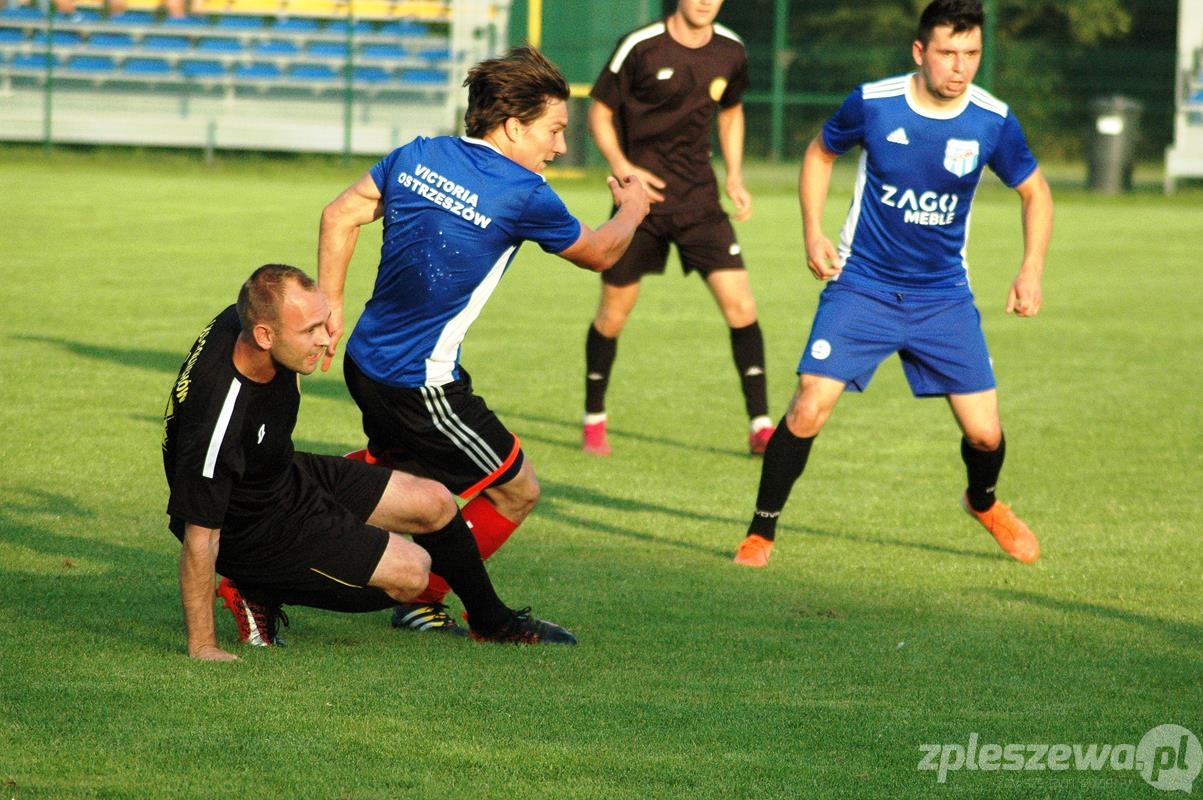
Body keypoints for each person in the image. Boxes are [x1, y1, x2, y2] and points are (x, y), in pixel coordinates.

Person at [317, 46, 649, 633]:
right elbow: (600, 252)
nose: (560, 146)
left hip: (365, 361)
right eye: (553, 130)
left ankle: (278, 507)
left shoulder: (418, 153)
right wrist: (633, 210)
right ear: (514, 126)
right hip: (421, 385)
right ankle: (442, 603)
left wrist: (331, 304)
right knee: (516, 490)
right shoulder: (523, 191)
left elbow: (338, 214)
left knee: (399, 489)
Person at [733, 0, 1054, 568]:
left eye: (972, 53)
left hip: (943, 295)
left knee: (985, 434)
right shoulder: (874, 103)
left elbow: (1036, 191)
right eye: (948, 53)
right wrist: (812, 231)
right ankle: (761, 532)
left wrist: (1031, 268)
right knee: (810, 404)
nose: (960, 66)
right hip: (863, 284)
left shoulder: (992, 120)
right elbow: (820, 153)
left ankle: (983, 502)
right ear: (919, 51)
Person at [163, 264, 578, 660]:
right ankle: (256, 586)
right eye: (310, 331)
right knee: (413, 575)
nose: (326, 339)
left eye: (324, 322)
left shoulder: (244, 319)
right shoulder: (217, 423)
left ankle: (491, 622)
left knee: (435, 501)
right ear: (264, 335)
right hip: (252, 530)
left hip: (281, 475)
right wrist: (203, 646)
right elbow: (200, 538)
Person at [580, 0, 775, 457]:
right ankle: (594, 420)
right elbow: (599, 112)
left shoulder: (731, 49)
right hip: (639, 206)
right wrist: (624, 168)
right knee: (613, 315)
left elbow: (731, 113)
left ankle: (761, 427)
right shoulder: (641, 45)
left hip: (700, 202)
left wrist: (735, 176)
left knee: (742, 306)